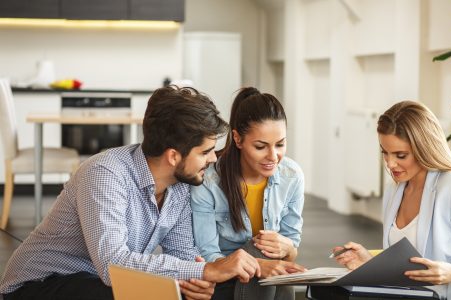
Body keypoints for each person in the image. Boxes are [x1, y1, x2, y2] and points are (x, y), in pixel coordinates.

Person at [0, 86, 262, 300]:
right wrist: (205, 270)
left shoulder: (182, 184)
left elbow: (182, 255)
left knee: (197, 290)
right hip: (38, 285)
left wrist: (197, 280)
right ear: (173, 156)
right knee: (130, 293)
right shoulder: (105, 173)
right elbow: (113, 265)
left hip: (99, 281)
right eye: (205, 152)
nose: (213, 160)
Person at [333, 101, 451, 299]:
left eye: (400, 155)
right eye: (385, 152)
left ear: (424, 148)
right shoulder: (394, 190)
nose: (390, 164)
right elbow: (404, 269)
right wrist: (369, 263)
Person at [191, 87, 305, 300]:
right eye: (261, 146)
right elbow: (207, 256)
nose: (273, 156)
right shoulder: (208, 181)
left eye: (280, 144)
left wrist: (287, 248)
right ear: (238, 139)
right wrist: (260, 265)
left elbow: (291, 250)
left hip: (266, 283)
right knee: (259, 249)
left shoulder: (292, 176)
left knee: (280, 272)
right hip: (222, 281)